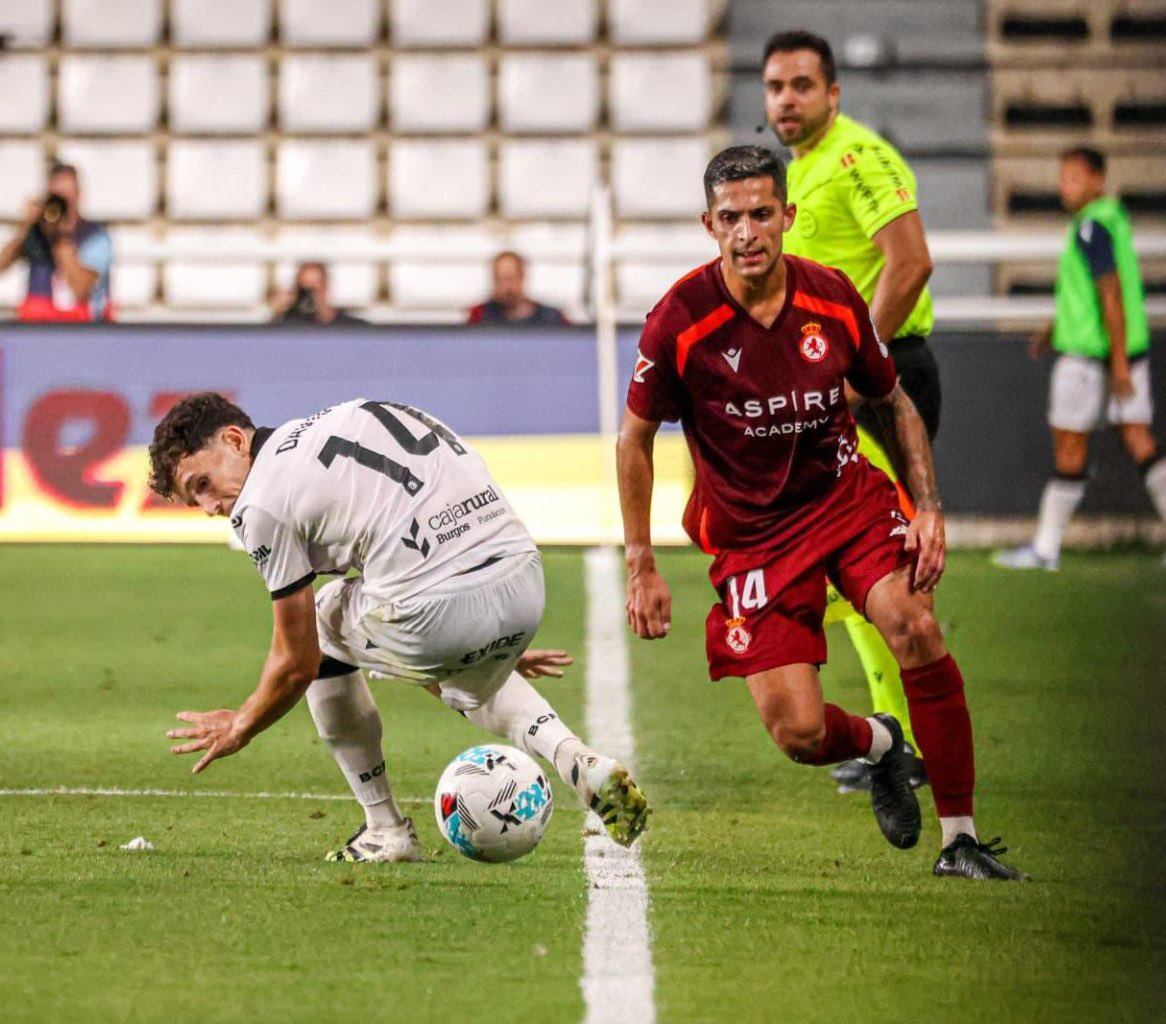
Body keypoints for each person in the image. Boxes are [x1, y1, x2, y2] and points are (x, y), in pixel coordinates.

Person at [617, 146, 1022, 880]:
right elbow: (635, 439)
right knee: (799, 732)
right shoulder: (679, 321)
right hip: (752, 538)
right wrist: (640, 562)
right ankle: (879, 744)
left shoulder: (832, 298)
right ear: (709, 224)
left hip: (848, 501)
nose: (748, 232)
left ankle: (959, 837)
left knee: (916, 625)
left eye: (762, 214)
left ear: (788, 217)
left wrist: (927, 507)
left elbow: (893, 401)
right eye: (732, 217)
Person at [148, 393, 648, 862]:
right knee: (396, 631)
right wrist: (485, 643)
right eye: (197, 502)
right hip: (523, 580)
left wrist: (243, 725)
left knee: (325, 619)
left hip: (437, 608)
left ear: (235, 440)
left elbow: (296, 661)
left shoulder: (260, 502)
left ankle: (384, 829)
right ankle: (575, 759)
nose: (213, 507)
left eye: (202, 485)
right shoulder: (342, 420)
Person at [763, 30, 940, 794]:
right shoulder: (801, 170)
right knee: (853, 573)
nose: (786, 100)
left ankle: (910, 743)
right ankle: (892, 738)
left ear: (834, 93)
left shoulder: (859, 157)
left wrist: (852, 371)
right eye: (774, 87)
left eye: (802, 85)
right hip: (839, 387)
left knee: (883, 571)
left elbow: (910, 262)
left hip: (881, 382)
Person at [993, 146, 1165, 570]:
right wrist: (1054, 328)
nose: (1063, 185)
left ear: (1097, 181)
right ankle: (1046, 547)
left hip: (1091, 360)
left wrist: (1118, 363)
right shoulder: (1113, 220)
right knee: (1140, 441)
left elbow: (1111, 298)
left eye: (1073, 177)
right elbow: (1094, 296)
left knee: (1069, 449)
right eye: (1063, 177)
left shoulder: (1091, 228)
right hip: (1124, 352)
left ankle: (1046, 548)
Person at [0, 162, 112, 322]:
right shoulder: (37, 233)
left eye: (67, 196)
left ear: (78, 195)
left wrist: (60, 237)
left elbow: (81, 289)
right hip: (37, 326)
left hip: (79, 329)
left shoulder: (95, 237)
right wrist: (26, 226)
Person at [467, 251, 568, 326]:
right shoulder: (479, 316)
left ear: (523, 277)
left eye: (509, 279)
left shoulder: (552, 318)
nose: (505, 287)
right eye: (499, 280)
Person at [272, 261, 367, 325]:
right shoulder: (291, 326)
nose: (309, 297)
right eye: (304, 290)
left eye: (315, 289)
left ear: (326, 288)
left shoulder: (349, 327)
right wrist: (280, 312)